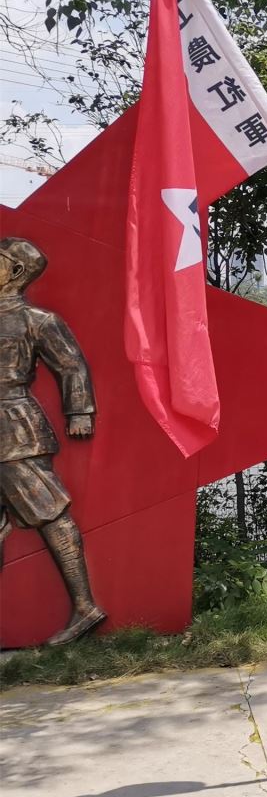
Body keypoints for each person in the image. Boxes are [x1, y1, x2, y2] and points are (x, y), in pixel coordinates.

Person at [0, 237, 104, 646]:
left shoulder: (37, 320)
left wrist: (79, 412)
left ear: (16, 271)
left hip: (15, 429)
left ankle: (85, 607)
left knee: (49, 513)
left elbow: (72, 364)